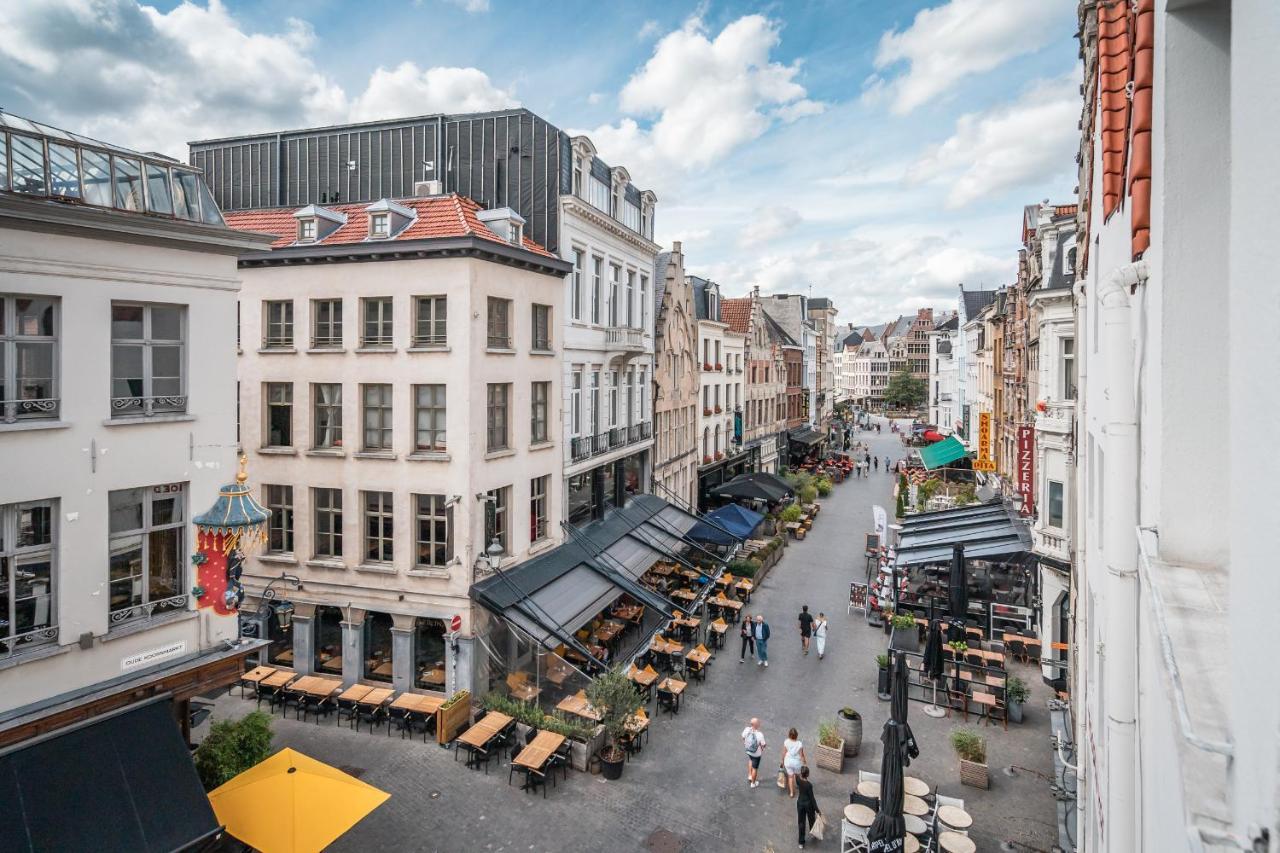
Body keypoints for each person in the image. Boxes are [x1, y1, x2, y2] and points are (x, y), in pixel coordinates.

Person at [796, 765, 821, 848]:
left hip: (800, 803)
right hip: (808, 805)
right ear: (807, 774)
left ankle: (801, 842)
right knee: (811, 819)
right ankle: (813, 832)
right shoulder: (809, 785)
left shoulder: (798, 779)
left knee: (801, 822)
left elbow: (796, 776)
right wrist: (817, 810)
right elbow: (812, 798)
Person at [781, 727, 807, 798]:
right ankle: (799, 786)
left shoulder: (786, 742)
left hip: (788, 762)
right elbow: (801, 755)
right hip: (797, 763)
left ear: (789, 735)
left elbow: (784, 752)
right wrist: (804, 762)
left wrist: (782, 761)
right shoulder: (799, 743)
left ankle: (792, 793)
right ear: (797, 735)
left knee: (790, 777)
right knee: (798, 775)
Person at [741, 718, 767, 788]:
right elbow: (763, 744)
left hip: (748, 751)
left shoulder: (746, 729)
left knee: (750, 760)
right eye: (758, 722)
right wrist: (763, 748)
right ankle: (753, 783)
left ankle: (750, 775)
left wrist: (745, 744)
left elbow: (743, 737)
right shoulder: (760, 734)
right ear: (757, 725)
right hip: (756, 754)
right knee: (755, 768)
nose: (759, 723)